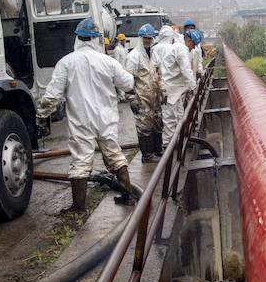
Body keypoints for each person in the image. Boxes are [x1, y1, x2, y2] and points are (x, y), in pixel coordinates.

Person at [36, 17, 136, 212]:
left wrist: (42, 114)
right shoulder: (108, 61)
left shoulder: (66, 63)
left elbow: (52, 94)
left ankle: (78, 206)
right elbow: (128, 84)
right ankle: (128, 196)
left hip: (81, 119)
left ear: (78, 38)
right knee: (114, 155)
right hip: (106, 117)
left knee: (81, 160)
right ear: (96, 39)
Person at [125, 23, 164, 162]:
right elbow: (128, 79)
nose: (148, 40)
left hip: (155, 97)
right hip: (142, 97)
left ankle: (158, 151)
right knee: (144, 126)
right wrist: (131, 98)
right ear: (140, 38)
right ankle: (147, 155)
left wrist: (163, 92)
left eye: (150, 38)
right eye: (145, 38)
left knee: (157, 123)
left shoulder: (154, 54)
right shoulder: (133, 56)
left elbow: (159, 74)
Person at [153, 25, 196, 148]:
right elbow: (186, 70)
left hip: (175, 89)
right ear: (189, 41)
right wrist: (193, 87)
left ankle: (179, 141)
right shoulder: (181, 49)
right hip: (169, 89)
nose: (193, 48)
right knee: (170, 118)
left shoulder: (177, 47)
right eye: (193, 45)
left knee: (179, 115)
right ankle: (168, 146)